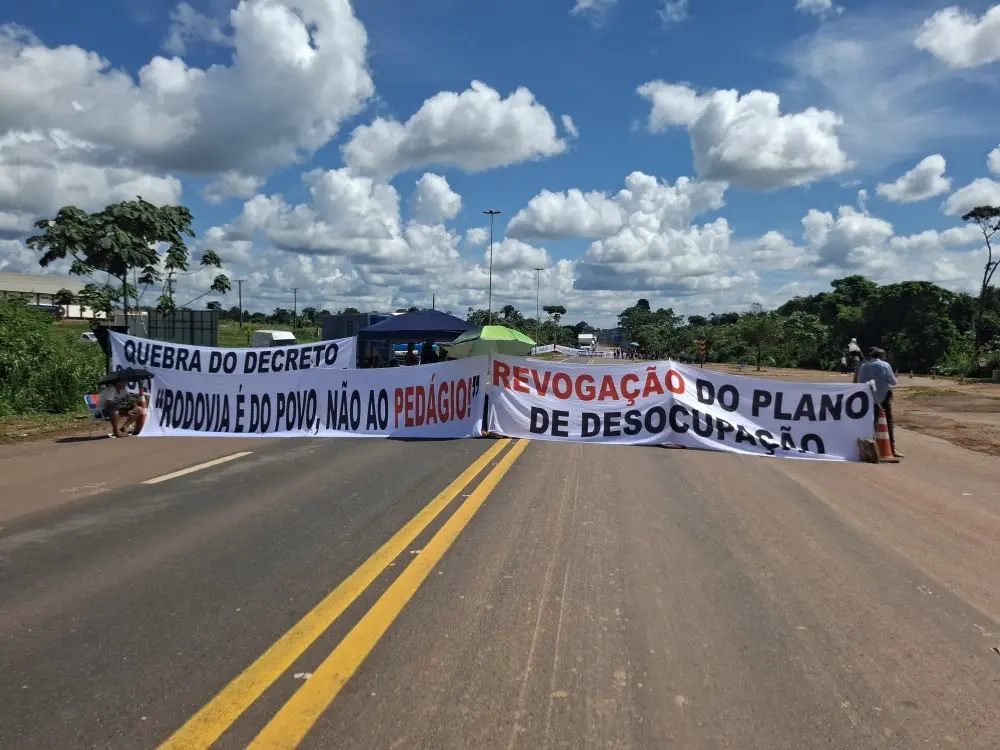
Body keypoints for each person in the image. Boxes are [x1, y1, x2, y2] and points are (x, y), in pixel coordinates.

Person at [856, 346, 903, 458]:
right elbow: (893, 382)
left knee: (870, 423)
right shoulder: (885, 365)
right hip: (883, 398)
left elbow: (859, 382)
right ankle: (891, 448)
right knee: (888, 422)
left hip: (867, 399)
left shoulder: (863, 366)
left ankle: (867, 447)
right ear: (881, 356)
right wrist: (896, 377)